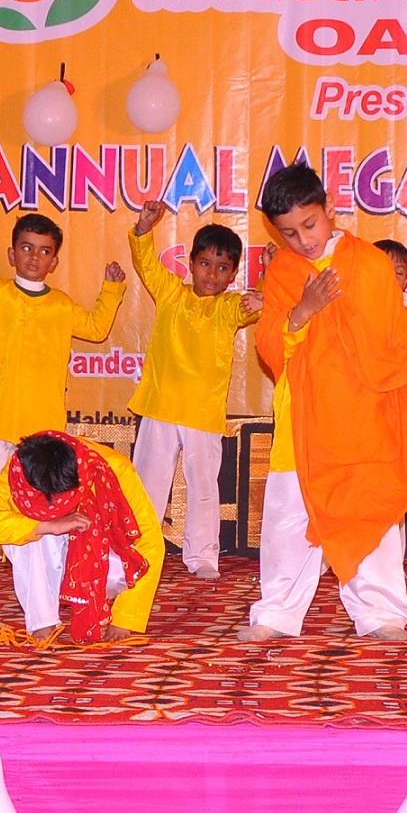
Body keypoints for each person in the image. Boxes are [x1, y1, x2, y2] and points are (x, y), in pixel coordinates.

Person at [241, 162, 407, 642]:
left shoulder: (370, 263)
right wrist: (303, 310)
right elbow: (271, 346)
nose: (304, 240)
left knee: (369, 510)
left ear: (329, 208)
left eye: (310, 225)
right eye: (289, 233)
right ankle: (276, 615)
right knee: (290, 517)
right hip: (304, 418)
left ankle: (383, 615)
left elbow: (397, 339)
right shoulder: (285, 271)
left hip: (364, 411)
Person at [0, 208, 126, 572]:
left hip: (43, 419)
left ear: (54, 261)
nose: (34, 257)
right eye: (26, 248)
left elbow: (97, 327)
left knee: (44, 493)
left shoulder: (61, 304)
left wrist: (112, 289)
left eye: (43, 251)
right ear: (12, 254)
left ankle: (40, 558)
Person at [126, 201, 260, 581]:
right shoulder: (171, 293)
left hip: (203, 412)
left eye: (222, 268)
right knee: (148, 483)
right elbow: (147, 264)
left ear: (233, 275)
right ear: (190, 262)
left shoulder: (231, 306)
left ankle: (202, 556)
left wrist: (265, 289)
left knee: (203, 486)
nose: (211, 274)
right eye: (205, 264)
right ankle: (138, 552)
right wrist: (143, 230)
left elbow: (259, 307)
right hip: (160, 406)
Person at [0, 430, 165, 644]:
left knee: (130, 547)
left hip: (104, 565)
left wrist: (124, 619)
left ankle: (95, 601)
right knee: (23, 532)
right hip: (53, 561)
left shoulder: (113, 468)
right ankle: (43, 622)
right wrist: (47, 525)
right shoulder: (19, 470)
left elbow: (150, 542)